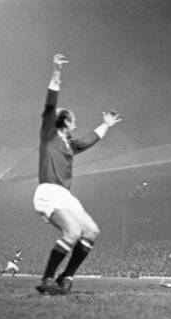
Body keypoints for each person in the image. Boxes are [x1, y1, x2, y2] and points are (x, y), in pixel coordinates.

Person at [34, 53, 122, 295]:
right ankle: (47, 279)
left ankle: (65, 276)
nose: (76, 124)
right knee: (72, 232)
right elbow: (50, 103)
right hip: (48, 192)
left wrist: (106, 125)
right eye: (73, 121)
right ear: (64, 121)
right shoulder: (49, 135)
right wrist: (56, 71)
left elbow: (88, 140)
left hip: (64, 195)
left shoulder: (69, 144)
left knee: (91, 231)